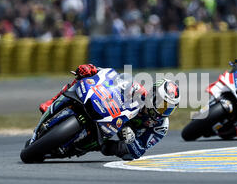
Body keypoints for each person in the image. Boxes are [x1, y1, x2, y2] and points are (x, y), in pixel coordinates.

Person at [39, 64, 180, 160]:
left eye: (169, 108)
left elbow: (139, 151)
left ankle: (78, 145)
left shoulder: (160, 127)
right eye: (162, 104)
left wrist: (130, 141)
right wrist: (93, 70)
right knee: (83, 77)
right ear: (153, 95)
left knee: (112, 149)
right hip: (110, 115)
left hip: (119, 135)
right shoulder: (138, 90)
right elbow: (112, 78)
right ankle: (51, 102)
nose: (163, 110)